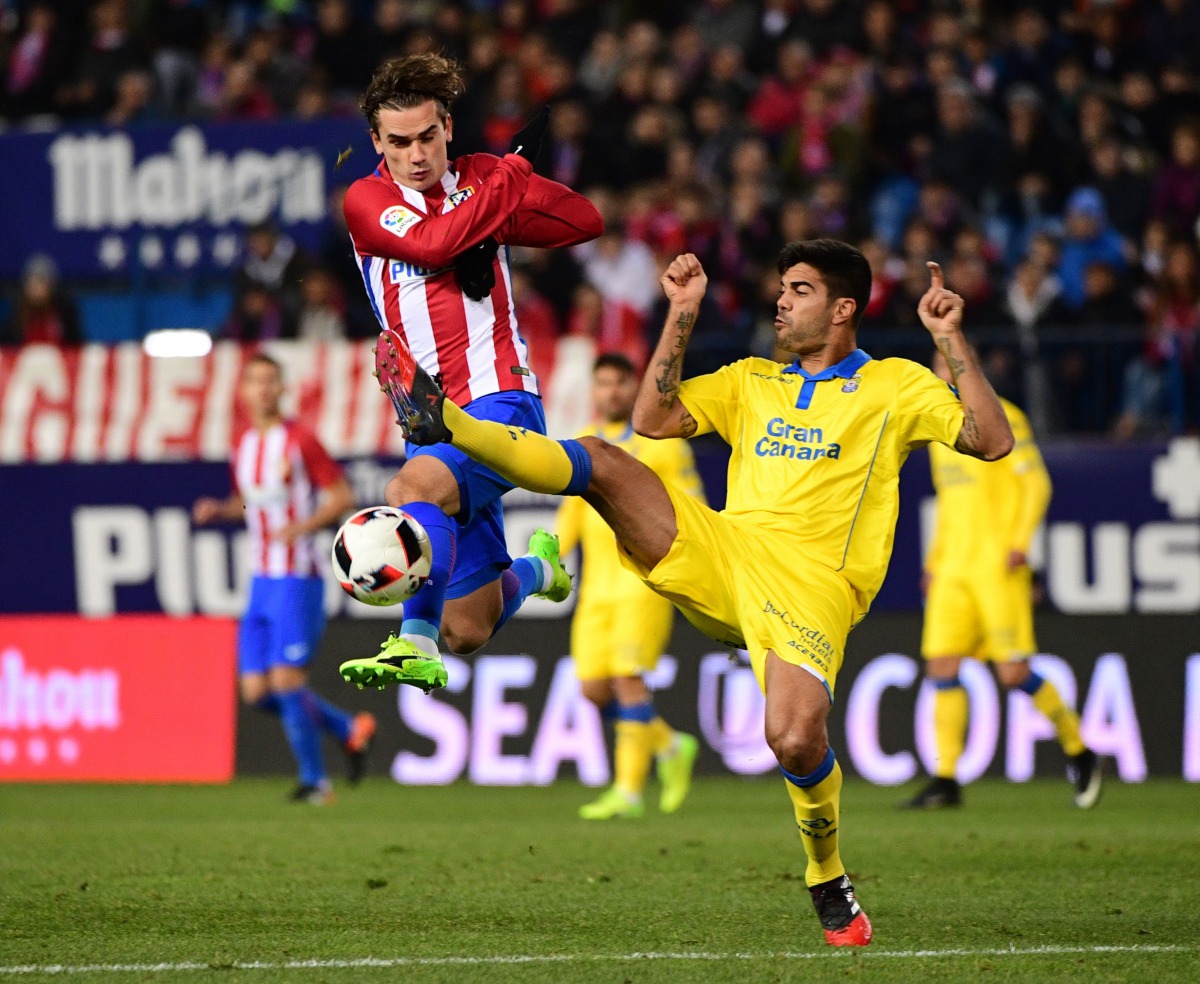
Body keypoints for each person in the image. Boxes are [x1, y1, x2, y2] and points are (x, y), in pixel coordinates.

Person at [359, 239, 1015, 947]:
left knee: (793, 739)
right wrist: (681, 312)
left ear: (843, 308)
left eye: (799, 290)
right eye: (782, 288)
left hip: (813, 583)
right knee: (605, 456)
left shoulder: (895, 386)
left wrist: (950, 339)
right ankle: (452, 425)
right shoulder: (752, 379)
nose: (782, 301)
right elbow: (654, 420)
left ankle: (825, 873)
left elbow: (991, 440)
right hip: (724, 549)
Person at [335, 53, 602, 692]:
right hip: (428, 419)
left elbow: (584, 222)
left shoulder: (483, 181)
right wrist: (505, 182)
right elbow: (432, 245)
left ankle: (409, 644)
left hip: (499, 399)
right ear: (377, 142)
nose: (417, 154)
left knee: (408, 495)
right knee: (469, 628)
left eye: (428, 136)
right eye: (399, 142)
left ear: (448, 127)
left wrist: (501, 195)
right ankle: (540, 571)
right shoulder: (368, 199)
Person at [904, 351, 1102, 811]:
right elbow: (949, 504)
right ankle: (946, 779)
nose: (939, 374)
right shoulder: (941, 432)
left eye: (946, 366)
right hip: (953, 567)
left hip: (997, 565)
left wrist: (1020, 542)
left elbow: (1036, 484)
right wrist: (934, 560)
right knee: (941, 666)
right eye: (936, 367)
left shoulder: (1004, 416)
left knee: (1012, 672)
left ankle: (1080, 749)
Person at [193, 353, 374, 805]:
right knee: (255, 691)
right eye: (254, 381)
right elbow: (248, 502)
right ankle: (347, 728)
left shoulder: (301, 440)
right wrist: (221, 510)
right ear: (243, 391)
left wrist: (304, 527)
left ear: (281, 389)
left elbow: (342, 495)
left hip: (298, 575)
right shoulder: (244, 445)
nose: (262, 389)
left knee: (287, 682)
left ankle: (317, 783)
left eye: (270, 381)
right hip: (261, 579)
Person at [556, 353, 705, 821]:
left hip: (643, 582)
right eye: (602, 383)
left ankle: (628, 791)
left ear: (634, 386)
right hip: (595, 590)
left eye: (620, 383)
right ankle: (669, 744)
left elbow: (692, 506)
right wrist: (548, 560)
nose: (611, 392)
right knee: (594, 689)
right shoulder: (583, 444)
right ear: (594, 391)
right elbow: (572, 515)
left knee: (627, 679)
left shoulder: (660, 442)